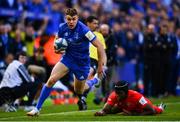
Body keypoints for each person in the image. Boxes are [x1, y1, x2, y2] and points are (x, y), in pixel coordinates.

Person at [27, 8, 106, 116]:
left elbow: (100, 46)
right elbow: (57, 39)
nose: (71, 22)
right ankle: (37, 109)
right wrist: (56, 47)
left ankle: (95, 80)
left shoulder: (84, 30)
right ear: (65, 19)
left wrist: (100, 66)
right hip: (67, 59)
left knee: (79, 91)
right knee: (51, 80)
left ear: (77, 18)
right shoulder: (62, 27)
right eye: (69, 19)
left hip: (81, 63)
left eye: (74, 19)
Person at [94, 80, 166, 116]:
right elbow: (105, 109)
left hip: (140, 108)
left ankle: (160, 107)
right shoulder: (114, 95)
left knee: (157, 110)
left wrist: (133, 114)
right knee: (110, 111)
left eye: (120, 93)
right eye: (116, 93)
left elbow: (151, 111)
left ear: (126, 92)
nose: (117, 95)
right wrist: (101, 112)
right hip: (124, 106)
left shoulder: (137, 97)